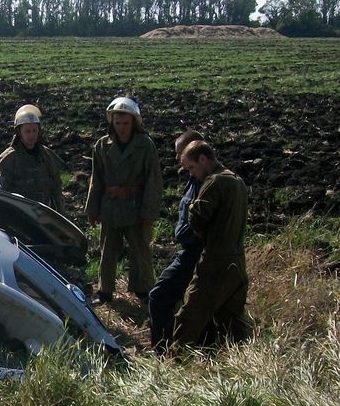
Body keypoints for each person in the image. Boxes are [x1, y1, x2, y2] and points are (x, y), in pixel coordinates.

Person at [171, 140, 253, 351]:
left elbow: (197, 218)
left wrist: (199, 229)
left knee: (189, 316)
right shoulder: (238, 182)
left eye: (191, 167)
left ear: (203, 159)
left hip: (215, 260)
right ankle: (240, 362)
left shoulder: (214, 182)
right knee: (232, 322)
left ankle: (176, 362)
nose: (191, 173)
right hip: (237, 260)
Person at [84, 96, 162, 305]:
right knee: (107, 250)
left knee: (140, 250)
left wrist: (149, 213)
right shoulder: (102, 145)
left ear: (134, 122)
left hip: (136, 207)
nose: (121, 128)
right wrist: (92, 208)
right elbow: (96, 179)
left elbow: (153, 181)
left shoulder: (145, 145)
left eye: (126, 123)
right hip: (111, 208)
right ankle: (105, 291)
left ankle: (143, 289)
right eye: (117, 123)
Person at [148, 129, 206, 355]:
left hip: (195, 252)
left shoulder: (206, 182)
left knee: (159, 295)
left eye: (179, 153)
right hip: (190, 249)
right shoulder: (194, 178)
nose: (177, 159)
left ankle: (163, 351)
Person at [0, 104, 66, 214]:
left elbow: (56, 189)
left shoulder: (47, 156)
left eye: (34, 131)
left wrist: (62, 215)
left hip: (44, 216)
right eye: (27, 131)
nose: (31, 135)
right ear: (19, 132)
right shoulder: (9, 159)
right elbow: (3, 192)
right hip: (20, 215)